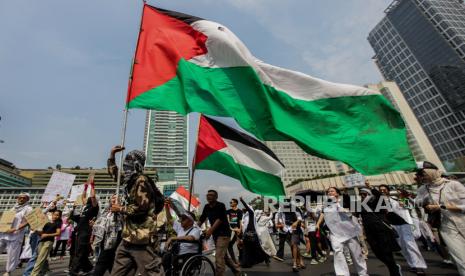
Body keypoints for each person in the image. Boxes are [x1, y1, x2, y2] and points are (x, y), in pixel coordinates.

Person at [107, 146, 165, 276]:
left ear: (137, 164)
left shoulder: (141, 181)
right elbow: (115, 176)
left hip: (142, 237)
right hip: (128, 237)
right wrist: (112, 155)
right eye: (125, 162)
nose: (126, 166)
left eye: (129, 162)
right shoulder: (130, 181)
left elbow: (142, 208)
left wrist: (120, 208)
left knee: (152, 272)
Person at [415, 161, 465, 276]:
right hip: (446, 227)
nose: (421, 176)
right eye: (419, 174)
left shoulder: (453, 184)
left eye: (422, 173)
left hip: (462, 221)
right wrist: (423, 200)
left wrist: (442, 206)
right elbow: (414, 202)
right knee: (461, 259)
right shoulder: (423, 189)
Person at [316, 187, 368, 276]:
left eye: (332, 191)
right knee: (337, 252)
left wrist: (344, 210)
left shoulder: (345, 200)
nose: (329, 193)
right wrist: (318, 223)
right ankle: (342, 274)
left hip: (349, 231)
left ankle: (363, 273)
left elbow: (354, 211)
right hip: (335, 232)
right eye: (328, 192)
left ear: (337, 193)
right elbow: (323, 213)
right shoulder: (327, 203)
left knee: (356, 254)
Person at [379, 184, 427, 275]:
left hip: (405, 224)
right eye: (380, 190)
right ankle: (413, 265)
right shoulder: (380, 202)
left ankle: (419, 266)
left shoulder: (397, 198)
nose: (382, 191)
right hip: (392, 226)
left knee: (410, 244)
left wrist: (403, 200)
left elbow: (409, 206)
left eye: (384, 189)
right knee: (402, 247)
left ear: (388, 190)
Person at [359, 182, 402, 276]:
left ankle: (394, 272)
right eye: (361, 194)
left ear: (370, 195)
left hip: (382, 230)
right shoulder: (360, 206)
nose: (362, 196)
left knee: (387, 252)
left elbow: (380, 196)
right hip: (370, 233)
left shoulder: (378, 202)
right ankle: (394, 267)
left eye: (364, 194)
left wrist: (371, 187)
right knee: (378, 253)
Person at [198, 190, 241, 276]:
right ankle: (236, 271)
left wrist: (210, 231)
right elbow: (202, 218)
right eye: (208, 195)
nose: (209, 196)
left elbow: (219, 219)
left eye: (211, 195)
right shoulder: (206, 206)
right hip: (215, 234)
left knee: (218, 257)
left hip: (224, 234)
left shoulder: (221, 205)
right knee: (223, 256)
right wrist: (193, 228)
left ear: (216, 197)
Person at [68, 182, 99, 276]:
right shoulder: (85, 207)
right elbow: (83, 197)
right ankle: (88, 268)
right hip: (79, 231)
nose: (88, 199)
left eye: (90, 198)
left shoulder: (94, 207)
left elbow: (93, 197)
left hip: (85, 231)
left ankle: (74, 271)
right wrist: (85, 188)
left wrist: (92, 186)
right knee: (81, 250)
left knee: (80, 251)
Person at [0, 192, 33, 276]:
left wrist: (16, 228)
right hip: (4, 233)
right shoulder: (13, 208)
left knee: (12, 254)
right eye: (20, 197)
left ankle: (8, 271)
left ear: (27, 199)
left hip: (16, 234)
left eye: (24, 198)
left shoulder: (28, 209)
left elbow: (28, 221)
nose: (21, 199)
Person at [163, 199, 201, 272]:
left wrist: (173, 238)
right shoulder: (181, 227)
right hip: (177, 253)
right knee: (164, 257)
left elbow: (191, 238)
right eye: (181, 218)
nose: (181, 220)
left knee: (168, 258)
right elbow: (170, 220)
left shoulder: (196, 230)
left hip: (187, 255)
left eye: (184, 219)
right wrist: (166, 206)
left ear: (190, 221)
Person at [92, 194, 123, 276]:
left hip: (114, 241)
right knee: (111, 263)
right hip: (103, 240)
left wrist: (118, 210)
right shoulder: (105, 212)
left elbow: (122, 224)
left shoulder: (121, 212)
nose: (114, 199)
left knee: (102, 262)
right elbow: (100, 223)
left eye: (116, 198)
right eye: (113, 198)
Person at [275, 200, 305, 272]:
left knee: (294, 244)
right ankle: (300, 260)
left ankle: (294, 264)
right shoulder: (281, 210)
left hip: (295, 229)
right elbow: (280, 220)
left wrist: (296, 222)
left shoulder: (295, 209)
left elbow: (300, 218)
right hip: (287, 229)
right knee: (293, 246)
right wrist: (282, 225)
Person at [239, 197, 269, 268]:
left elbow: (247, 207)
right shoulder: (245, 216)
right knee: (246, 248)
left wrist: (242, 201)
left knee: (257, 247)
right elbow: (244, 226)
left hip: (253, 233)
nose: (244, 208)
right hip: (246, 233)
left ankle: (266, 258)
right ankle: (246, 263)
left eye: (246, 208)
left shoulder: (251, 213)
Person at [30, 210, 63, 276]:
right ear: (52, 214)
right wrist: (35, 229)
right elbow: (41, 233)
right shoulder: (46, 222)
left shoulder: (58, 223)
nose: (55, 216)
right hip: (42, 241)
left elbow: (58, 233)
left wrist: (47, 235)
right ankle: (46, 271)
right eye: (55, 214)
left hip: (49, 242)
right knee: (42, 258)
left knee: (40, 259)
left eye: (57, 215)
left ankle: (33, 274)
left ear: (59, 216)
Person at [226, 198, 243, 265]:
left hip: (238, 230)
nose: (230, 203)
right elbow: (228, 220)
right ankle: (234, 260)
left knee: (240, 245)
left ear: (235, 203)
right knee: (229, 245)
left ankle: (241, 259)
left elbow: (240, 221)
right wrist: (231, 228)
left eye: (231, 202)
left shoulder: (239, 211)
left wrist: (240, 230)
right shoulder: (228, 211)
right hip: (231, 230)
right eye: (230, 202)